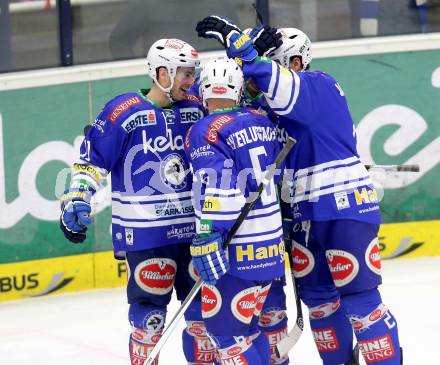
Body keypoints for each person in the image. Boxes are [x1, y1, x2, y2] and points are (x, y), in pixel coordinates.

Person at [195, 17, 403, 365]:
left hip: (342, 208)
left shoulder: (315, 84)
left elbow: (266, 77)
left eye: (274, 59)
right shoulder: (269, 108)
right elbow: (237, 107)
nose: (260, 74)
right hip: (303, 214)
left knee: (361, 304)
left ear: (295, 62)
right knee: (321, 305)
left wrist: (241, 45)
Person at [59, 38, 218, 365]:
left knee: (204, 321)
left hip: (195, 233)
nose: (192, 81)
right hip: (147, 237)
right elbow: (92, 160)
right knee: (149, 323)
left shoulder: (196, 106)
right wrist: (77, 197)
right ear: (163, 73)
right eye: (185, 74)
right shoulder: (123, 112)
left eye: (192, 74)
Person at [186, 57, 286, 365]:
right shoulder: (263, 122)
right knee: (249, 332)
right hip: (270, 247)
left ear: (202, 91)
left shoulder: (204, 130)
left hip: (236, 253)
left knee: (228, 339)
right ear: (238, 89)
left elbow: (217, 184)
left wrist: (208, 234)